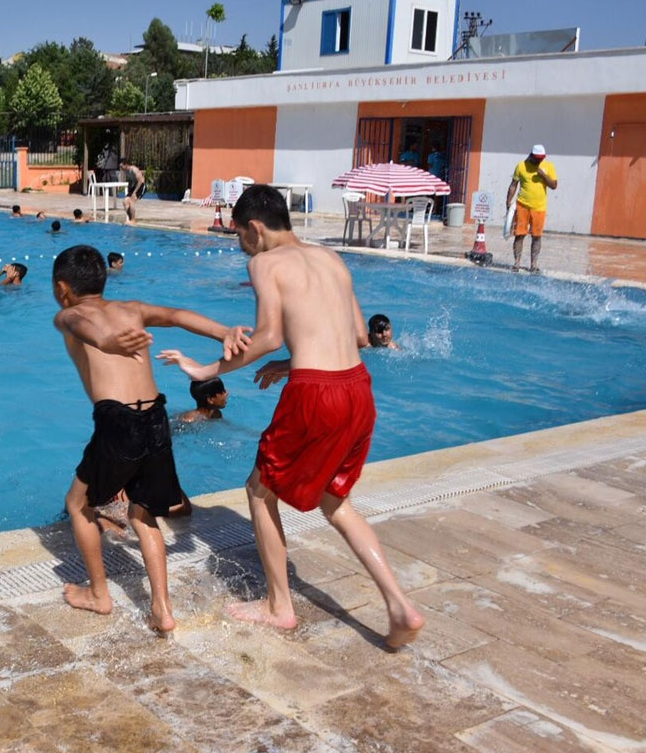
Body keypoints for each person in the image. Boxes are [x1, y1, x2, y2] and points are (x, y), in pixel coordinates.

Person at [156, 185, 424, 649]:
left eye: (238, 233)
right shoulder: (332, 259)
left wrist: (203, 369)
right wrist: (291, 361)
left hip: (316, 394)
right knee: (334, 497)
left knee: (259, 490)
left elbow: (266, 336)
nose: (238, 243)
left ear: (256, 229)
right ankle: (400, 606)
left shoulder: (263, 262)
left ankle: (280, 605)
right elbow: (359, 336)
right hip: (357, 388)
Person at [50, 244, 248, 636]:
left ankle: (99, 594)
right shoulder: (131, 308)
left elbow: (81, 328)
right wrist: (222, 331)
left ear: (62, 288)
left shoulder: (66, 313)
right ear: (103, 280)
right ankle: (162, 608)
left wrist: (105, 344)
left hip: (118, 421)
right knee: (143, 513)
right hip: (155, 415)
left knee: (78, 503)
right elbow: (175, 316)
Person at [505, 144, 557, 273]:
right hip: (522, 205)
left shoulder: (548, 166)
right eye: (537, 158)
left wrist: (543, 175)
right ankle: (516, 263)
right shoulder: (521, 166)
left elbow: (554, 185)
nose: (539, 160)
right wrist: (508, 202)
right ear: (531, 155)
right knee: (519, 235)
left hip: (539, 207)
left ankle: (533, 264)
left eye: (541, 158)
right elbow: (513, 184)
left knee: (536, 236)